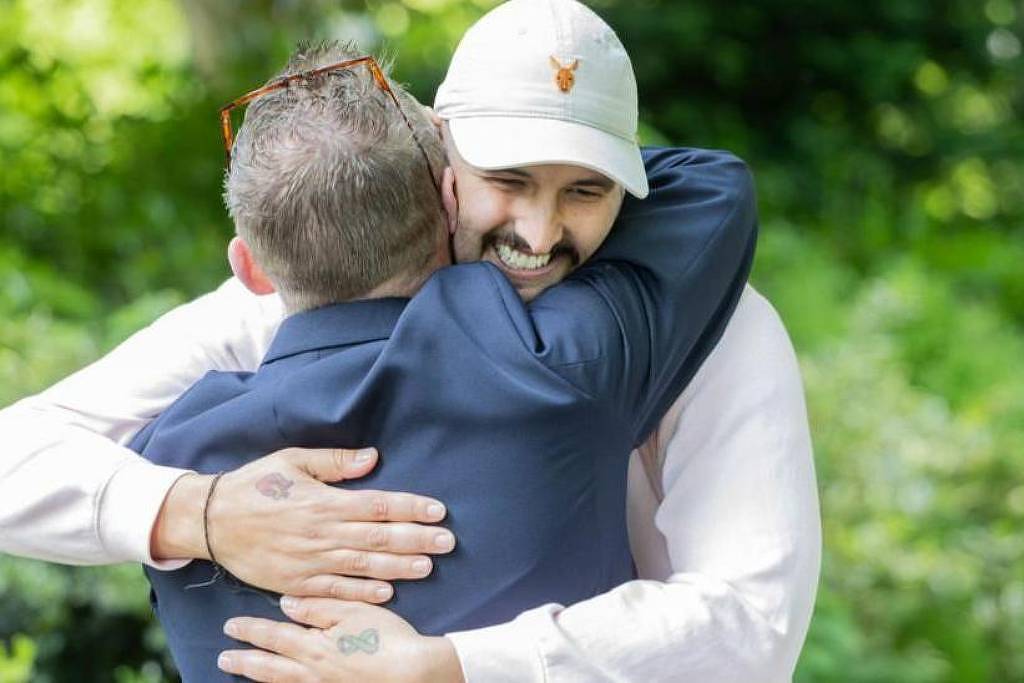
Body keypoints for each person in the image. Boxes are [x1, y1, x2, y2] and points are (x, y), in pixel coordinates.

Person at [0, 1, 821, 681]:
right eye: (507, 180)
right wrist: (202, 512)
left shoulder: (726, 329)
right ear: (439, 157)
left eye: (585, 189)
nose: (538, 231)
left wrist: (458, 665)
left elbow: (752, 625)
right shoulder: (278, 308)